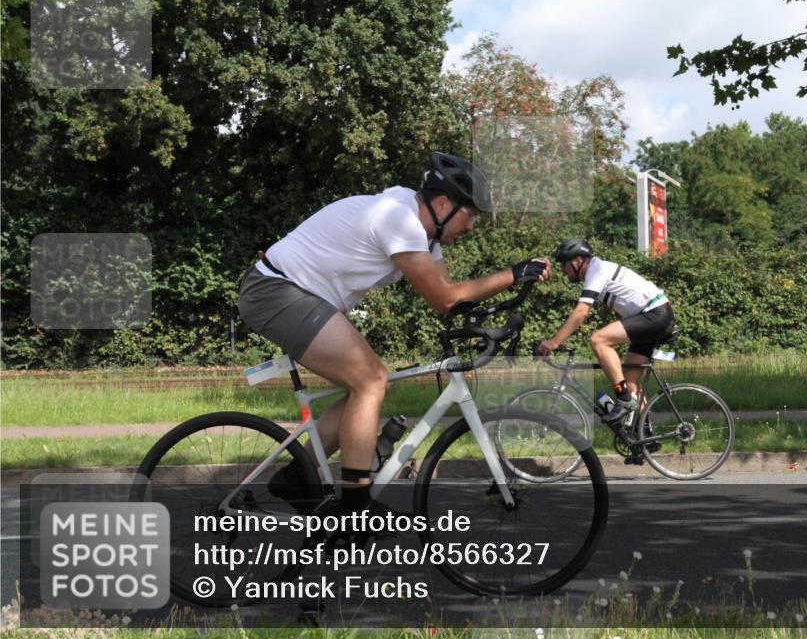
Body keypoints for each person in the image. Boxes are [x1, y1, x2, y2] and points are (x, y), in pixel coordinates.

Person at [238, 152, 551, 514]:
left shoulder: (423, 233)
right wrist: (513, 274)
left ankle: (298, 474)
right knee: (370, 379)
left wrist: (492, 316)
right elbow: (445, 297)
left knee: (371, 385)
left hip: (299, 295)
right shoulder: (400, 220)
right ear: (443, 203)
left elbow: (449, 295)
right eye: (470, 215)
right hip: (276, 290)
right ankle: (355, 505)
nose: (471, 227)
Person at [538, 238, 674, 441]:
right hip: (651, 315)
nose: (563, 270)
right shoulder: (597, 270)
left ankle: (623, 398)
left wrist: (554, 341)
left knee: (598, 340)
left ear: (577, 261)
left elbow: (582, 311)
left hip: (654, 315)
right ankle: (644, 438)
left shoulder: (597, 269)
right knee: (630, 381)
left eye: (564, 264)